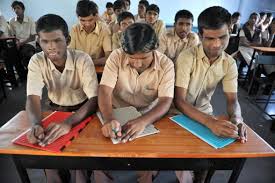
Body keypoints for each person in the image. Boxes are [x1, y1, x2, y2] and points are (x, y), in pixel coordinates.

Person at [174, 6, 247, 183]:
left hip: (205, 112)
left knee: (209, 159)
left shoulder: (229, 63)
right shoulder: (186, 57)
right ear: (200, 35)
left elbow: (232, 100)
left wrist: (237, 119)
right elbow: (180, 101)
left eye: (222, 37)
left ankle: (199, 177)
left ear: (230, 30)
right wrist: (210, 122)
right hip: (176, 114)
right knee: (180, 157)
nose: (216, 44)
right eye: (210, 38)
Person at [96, 23, 174, 183]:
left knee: (147, 161)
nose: (137, 63)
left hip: (148, 115)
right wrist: (109, 118)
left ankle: (145, 176)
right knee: (101, 156)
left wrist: (143, 121)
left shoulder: (167, 65)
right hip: (116, 112)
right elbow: (104, 90)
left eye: (144, 58)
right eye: (132, 58)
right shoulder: (116, 56)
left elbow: (166, 101)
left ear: (155, 48)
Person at [26, 14, 98, 183]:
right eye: (45, 41)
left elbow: (94, 99)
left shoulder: (82, 59)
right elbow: (33, 97)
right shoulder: (36, 61)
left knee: (78, 163)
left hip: (82, 111)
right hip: (54, 110)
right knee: (49, 157)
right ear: (39, 41)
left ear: (68, 39)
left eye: (57, 40)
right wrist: (36, 124)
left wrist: (69, 122)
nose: (51, 47)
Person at [69, 0, 111, 66]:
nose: (87, 24)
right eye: (82, 20)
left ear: (96, 16)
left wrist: (87, 63)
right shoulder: (74, 29)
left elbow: (109, 57)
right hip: (78, 69)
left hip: (97, 70)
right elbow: (69, 55)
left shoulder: (104, 30)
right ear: (78, 16)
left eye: (90, 20)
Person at [9, 1, 36, 68]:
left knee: (25, 52)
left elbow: (33, 37)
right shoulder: (12, 21)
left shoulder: (30, 19)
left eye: (18, 8)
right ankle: (22, 76)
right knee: (10, 54)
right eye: (14, 8)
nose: (16, 10)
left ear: (23, 9)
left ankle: (30, 72)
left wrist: (20, 43)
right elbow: (13, 36)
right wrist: (17, 42)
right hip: (18, 43)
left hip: (29, 43)